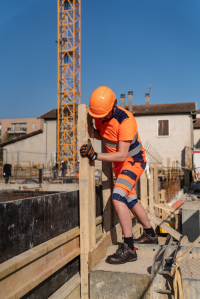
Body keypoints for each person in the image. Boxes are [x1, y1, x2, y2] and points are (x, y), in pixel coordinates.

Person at [80, 86, 157, 264]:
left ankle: (129, 249)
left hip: (133, 160)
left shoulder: (126, 121)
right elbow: (102, 134)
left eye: (102, 116)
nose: (98, 119)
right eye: (96, 116)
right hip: (119, 164)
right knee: (130, 200)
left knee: (117, 198)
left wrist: (95, 155)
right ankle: (150, 234)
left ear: (113, 106)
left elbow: (122, 154)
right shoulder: (99, 114)